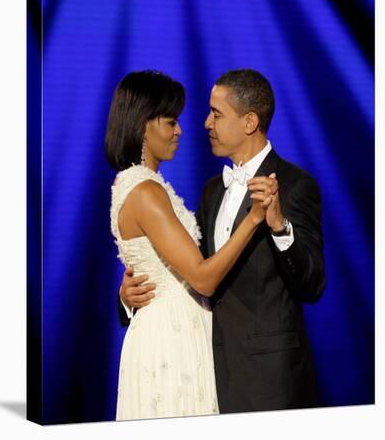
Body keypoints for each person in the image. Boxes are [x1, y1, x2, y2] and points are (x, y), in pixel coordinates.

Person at [120, 68, 325, 413]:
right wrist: (127, 297)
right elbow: (194, 269)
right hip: (206, 369)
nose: (205, 123)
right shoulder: (213, 190)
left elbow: (313, 284)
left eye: (216, 113)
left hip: (269, 380)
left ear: (248, 122)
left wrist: (279, 227)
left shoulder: (294, 185)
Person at [106, 70, 274, 421]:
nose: (180, 130)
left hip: (177, 330)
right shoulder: (145, 191)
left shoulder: (144, 185)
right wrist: (254, 218)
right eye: (171, 122)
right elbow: (202, 278)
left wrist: (125, 297)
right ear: (143, 125)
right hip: (170, 339)